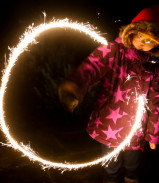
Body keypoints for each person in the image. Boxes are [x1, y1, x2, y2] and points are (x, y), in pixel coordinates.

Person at [58, 5, 159, 183]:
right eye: (140, 37)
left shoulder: (153, 65)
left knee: (133, 168)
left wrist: (154, 133)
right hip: (108, 127)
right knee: (110, 168)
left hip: (136, 131)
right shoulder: (114, 51)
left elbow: (156, 100)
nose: (143, 43)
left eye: (150, 40)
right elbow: (92, 66)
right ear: (131, 32)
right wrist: (74, 87)